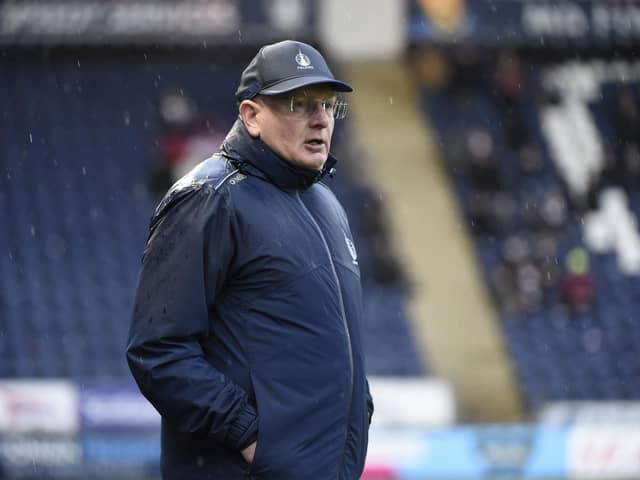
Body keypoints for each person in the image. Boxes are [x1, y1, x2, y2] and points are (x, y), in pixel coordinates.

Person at [126, 40, 374, 480]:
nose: (321, 118)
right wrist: (250, 438)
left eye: (328, 105)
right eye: (299, 103)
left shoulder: (327, 205)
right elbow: (158, 351)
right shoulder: (209, 198)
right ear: (251, 116)